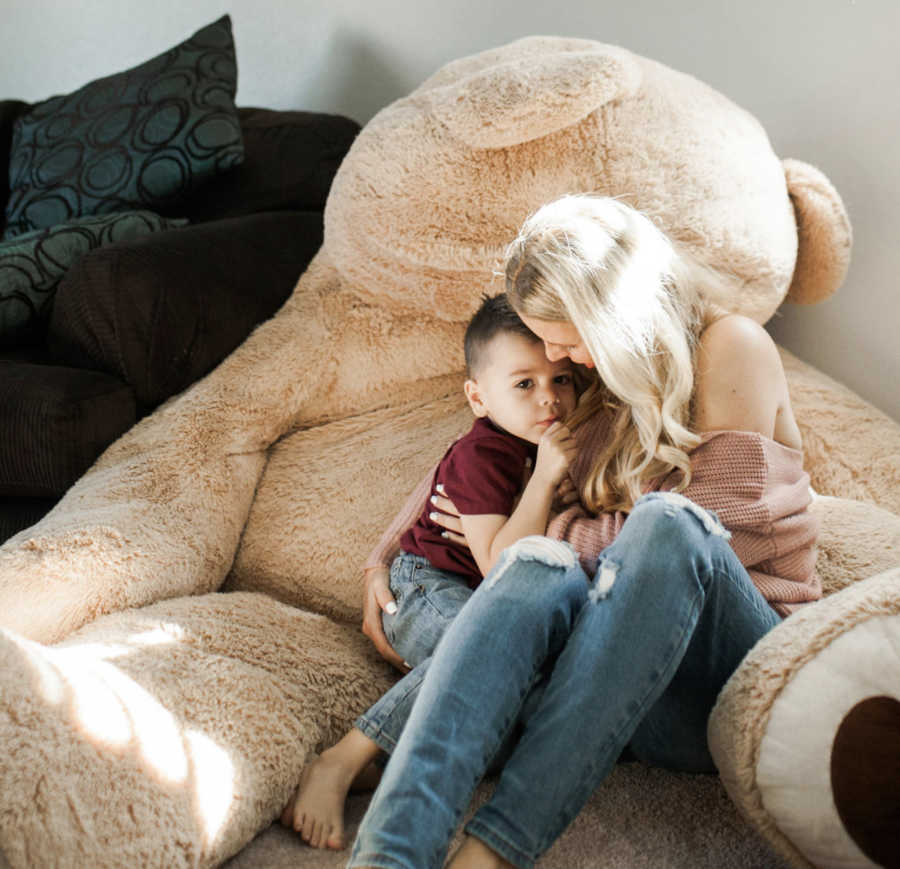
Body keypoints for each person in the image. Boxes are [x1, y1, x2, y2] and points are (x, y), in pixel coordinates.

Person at [351, 194, 821, 869]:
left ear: (610, 311)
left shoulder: (730, 346)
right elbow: (482, 451)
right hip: (637, 694)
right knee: (534, 567)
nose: (553, 353)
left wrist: (558, 524)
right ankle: (390, 856)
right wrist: (386, 553)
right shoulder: (600, 382)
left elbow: (716, 539)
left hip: (743, 676)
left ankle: (490, 854)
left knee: (662, 524)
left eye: (561, 335)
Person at [280, 293, 578, 849]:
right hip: (422, 588)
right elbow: (499, 567)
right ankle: (342, 758)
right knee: (487, 654)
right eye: (525, 384)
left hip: (466, 599)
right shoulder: (484, 455)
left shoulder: (536, 447)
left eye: (561, 381)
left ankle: (386, 761)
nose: (549, 401)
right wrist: (542, 484)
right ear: (478, 398)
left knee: (522, 703)